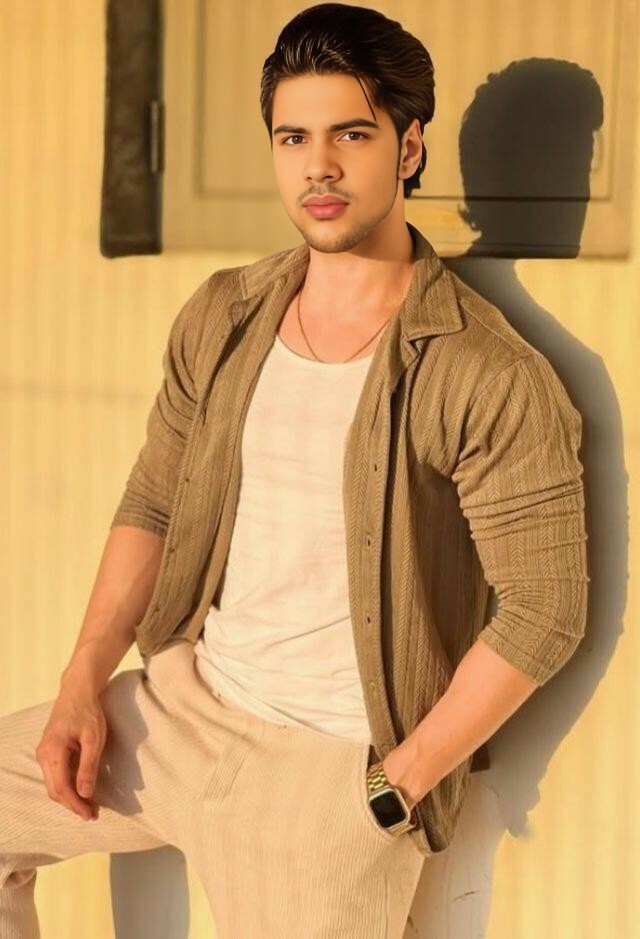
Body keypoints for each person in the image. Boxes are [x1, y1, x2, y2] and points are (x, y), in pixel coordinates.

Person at [0, 4, 589, 937]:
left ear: (408, 148)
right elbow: (155, 499)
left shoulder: (487, 372)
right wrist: (82, 681)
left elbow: (547, 606)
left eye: (350, 135)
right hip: (180, 707)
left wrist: (396, 785)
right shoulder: (225, 313)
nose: (318, 166)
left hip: (328, 771)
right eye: (293, 137)